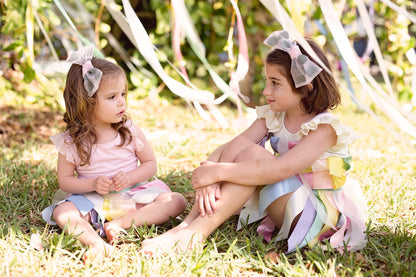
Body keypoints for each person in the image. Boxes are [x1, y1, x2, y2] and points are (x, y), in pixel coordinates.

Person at [141, 30, 367, 255]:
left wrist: (218, 172)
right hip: (288, 198)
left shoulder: (324, 128)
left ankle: (196, 234)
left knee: (255, 159)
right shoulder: (274, 115)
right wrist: (209, 174)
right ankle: (186, 227)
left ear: (305, 86)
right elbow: (234, 145)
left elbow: (281, 169)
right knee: (245, 150)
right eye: (267, 81)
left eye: (275, 83)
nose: (267, 90)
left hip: (316, 216)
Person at [42, 45, 186, 261]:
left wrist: (130, 177)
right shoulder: (71, 141)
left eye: (123, 94)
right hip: (93, 201)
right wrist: (91, 184)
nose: (121, 102)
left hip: (133, 195)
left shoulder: (128, 130)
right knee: (62, 213)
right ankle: (96, 244)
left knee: (176, 201)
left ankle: (120, 224)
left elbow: (150, 164)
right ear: (87, 103)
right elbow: (65, 181)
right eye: (111, 97)